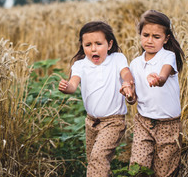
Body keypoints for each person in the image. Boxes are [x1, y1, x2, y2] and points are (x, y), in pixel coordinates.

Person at [58, 21, 136, 177]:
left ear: (109, 44)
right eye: (88, 45)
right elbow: (73, 83)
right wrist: (67, 88)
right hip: (91, 122)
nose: (93, 48)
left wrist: (128, 82)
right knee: (94, 161)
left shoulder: (117, 59)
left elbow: (125, 72)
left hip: (113, 122)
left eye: (98, 43)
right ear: (82, 46)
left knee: (98, 157)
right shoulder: (80, 65)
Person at [129, 10, 184, 177]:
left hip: (169, 124)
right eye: (145, 35)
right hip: (143, 122)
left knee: (164, 170)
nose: (150, 40)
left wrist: (158, 79)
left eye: (156, 36)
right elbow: (134, 97)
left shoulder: (168, 56)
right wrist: (130, 97)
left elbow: (164, 75)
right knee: (138, 167)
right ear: (140, 35)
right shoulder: (135, 64)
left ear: (166, 38)